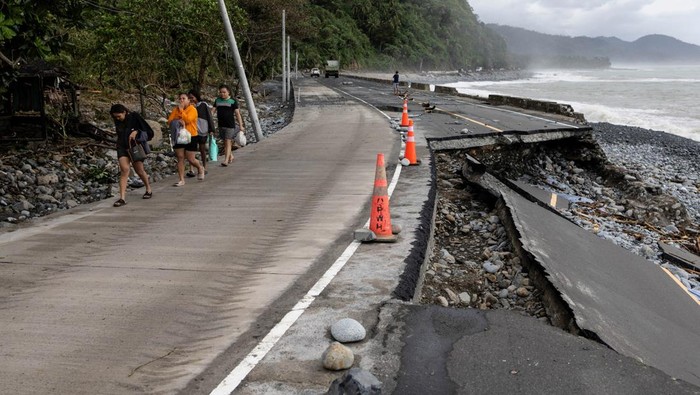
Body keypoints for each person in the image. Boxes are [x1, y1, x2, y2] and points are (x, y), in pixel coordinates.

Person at [109, 103, 154, 207]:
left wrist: (136, 132)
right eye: (115, 117)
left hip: (134, 147)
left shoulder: (134, 117)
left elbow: (149, 132)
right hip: (122, 146)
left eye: (119, 116)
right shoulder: (117, 120)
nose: (117, 118)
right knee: (124, 170)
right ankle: (122, 198)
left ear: (124, 112)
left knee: (139, 170)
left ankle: (148, 188)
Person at [168, 92, 205, 186]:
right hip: (178, 135)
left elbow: (188, 120)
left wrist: (182, 112)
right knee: (180, 157)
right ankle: (181, 179)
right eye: (180, 98)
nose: (181, 100)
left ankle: (200, 168)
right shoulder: (176, 109)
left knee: (190, 159)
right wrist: (178, 117)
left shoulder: (192, 109)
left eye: (184, 98)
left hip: (191, 135)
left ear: (189, 100)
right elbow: (170, 121)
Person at [213, 84, 245, 166]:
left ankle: (226, 160)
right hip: (221, 124)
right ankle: (231, 156)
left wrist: (241, 125)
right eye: (221, 92)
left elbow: (237, 114)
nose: (222, 94)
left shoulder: (233, 101)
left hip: (230, 125)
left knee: (228, 141)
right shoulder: (217, 101)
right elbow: (212, 111)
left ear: (228, 92)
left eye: (224, 92)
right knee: (225, 142)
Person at [186, 90, 216, 177]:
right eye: (189, 98)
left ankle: (204, 167)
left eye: (192, 97)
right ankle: (191, 169)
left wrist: (211, 129)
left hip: (202, 130)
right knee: (191, 150)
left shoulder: (203, 105)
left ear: (196, 97)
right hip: (192, 131)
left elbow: (209, 116)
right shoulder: (189, 106)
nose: (191, 99)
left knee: (202, 149)